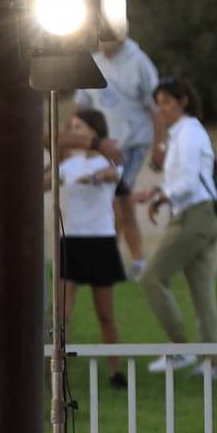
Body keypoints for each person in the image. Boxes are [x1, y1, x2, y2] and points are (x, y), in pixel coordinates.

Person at [131, 77, 217, 379]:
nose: (162, 109)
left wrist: (160, 194)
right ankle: (211, 364)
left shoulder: (190, 133)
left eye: (167, 102)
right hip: (200, 215)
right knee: (201, 292)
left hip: (195, 216)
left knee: (150, 278)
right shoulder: (181, 133)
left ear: (183, 101)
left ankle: (180, 348)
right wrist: (158, 193)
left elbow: (190, 180)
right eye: (159, 103)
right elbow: (182, 180)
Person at [45, 108, 127, 388]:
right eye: (72, 127)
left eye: (80, 127)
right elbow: (42, 182)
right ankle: (55, 370)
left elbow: (112, 174)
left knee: (105, 314)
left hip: (100, 241)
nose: (74, 132)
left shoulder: (109, 158)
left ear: (95, 130)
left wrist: (100, 176)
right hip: (72, 242)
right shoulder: (69, 164)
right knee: (61, 314)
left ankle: (116, 371)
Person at [74, 33, 160, 279]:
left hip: (132, 143)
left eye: (108, 35)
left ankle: (126, 261)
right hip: (105, 144)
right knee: (116, 201)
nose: (102, 40)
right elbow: (82, 103)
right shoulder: (93, 62)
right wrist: (74, 135)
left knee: (119, 200)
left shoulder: (138, 62)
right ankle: (125, 259)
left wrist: (159, 146)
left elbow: (156, 108)